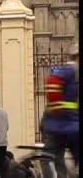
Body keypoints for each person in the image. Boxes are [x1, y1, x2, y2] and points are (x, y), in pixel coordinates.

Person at [41, 43, 79, 172]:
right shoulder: (71, 69)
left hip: (65, 124)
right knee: (53, 158)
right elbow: (53, 84)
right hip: (66, 124)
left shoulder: (72, 71)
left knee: (53, 158)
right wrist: (57, 108)